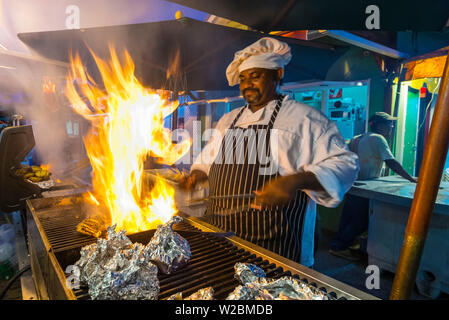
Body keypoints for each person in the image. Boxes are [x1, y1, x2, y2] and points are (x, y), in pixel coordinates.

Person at [180, 37, 359, 268]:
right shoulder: (228, 120)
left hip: (274, 251)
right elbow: (206, 162)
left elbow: (346, 165)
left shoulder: (304, 120)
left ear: (278, 74)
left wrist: (294, 181)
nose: (247, 85)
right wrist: (196, 177)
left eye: (256, 76)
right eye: (243, 79)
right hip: (220, 240)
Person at [329, 112, 417, 260]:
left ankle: (341, 244)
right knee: (361, 220)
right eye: (389, 125)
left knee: (348, 217)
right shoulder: (378, 139)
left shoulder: (358, 137)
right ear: (380, 126)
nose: (392, 127)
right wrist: (410, 179)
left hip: (352, 184)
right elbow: (390, 162)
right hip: (365, 187)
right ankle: (340, 247)